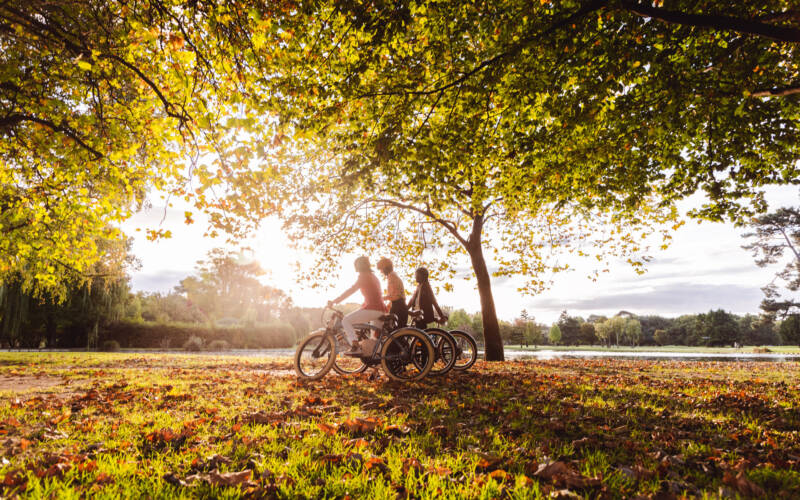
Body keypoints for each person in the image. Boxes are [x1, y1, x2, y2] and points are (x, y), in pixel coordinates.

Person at [328, 256, 387, 355]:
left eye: (355, 264)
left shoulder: (363, 276)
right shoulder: (373, 276)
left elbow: (351, 290)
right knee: (375, 340)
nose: (354, 267)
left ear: (360, 265)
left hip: (373, 309)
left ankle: (355, 346)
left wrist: (335, 301)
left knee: (346, 320)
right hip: (380, 310)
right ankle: (378, 362)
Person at [376, 257, 407, 328]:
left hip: (399, 308)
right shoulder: (393, 276)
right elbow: (396, 295)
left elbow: (395, 296)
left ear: (385, 268)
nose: (381, 271)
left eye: (381, 269)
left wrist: (380, 298)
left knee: (396, 334)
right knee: (397, 334)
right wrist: (388, 306)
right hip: (399, 306)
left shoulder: (392, 276)